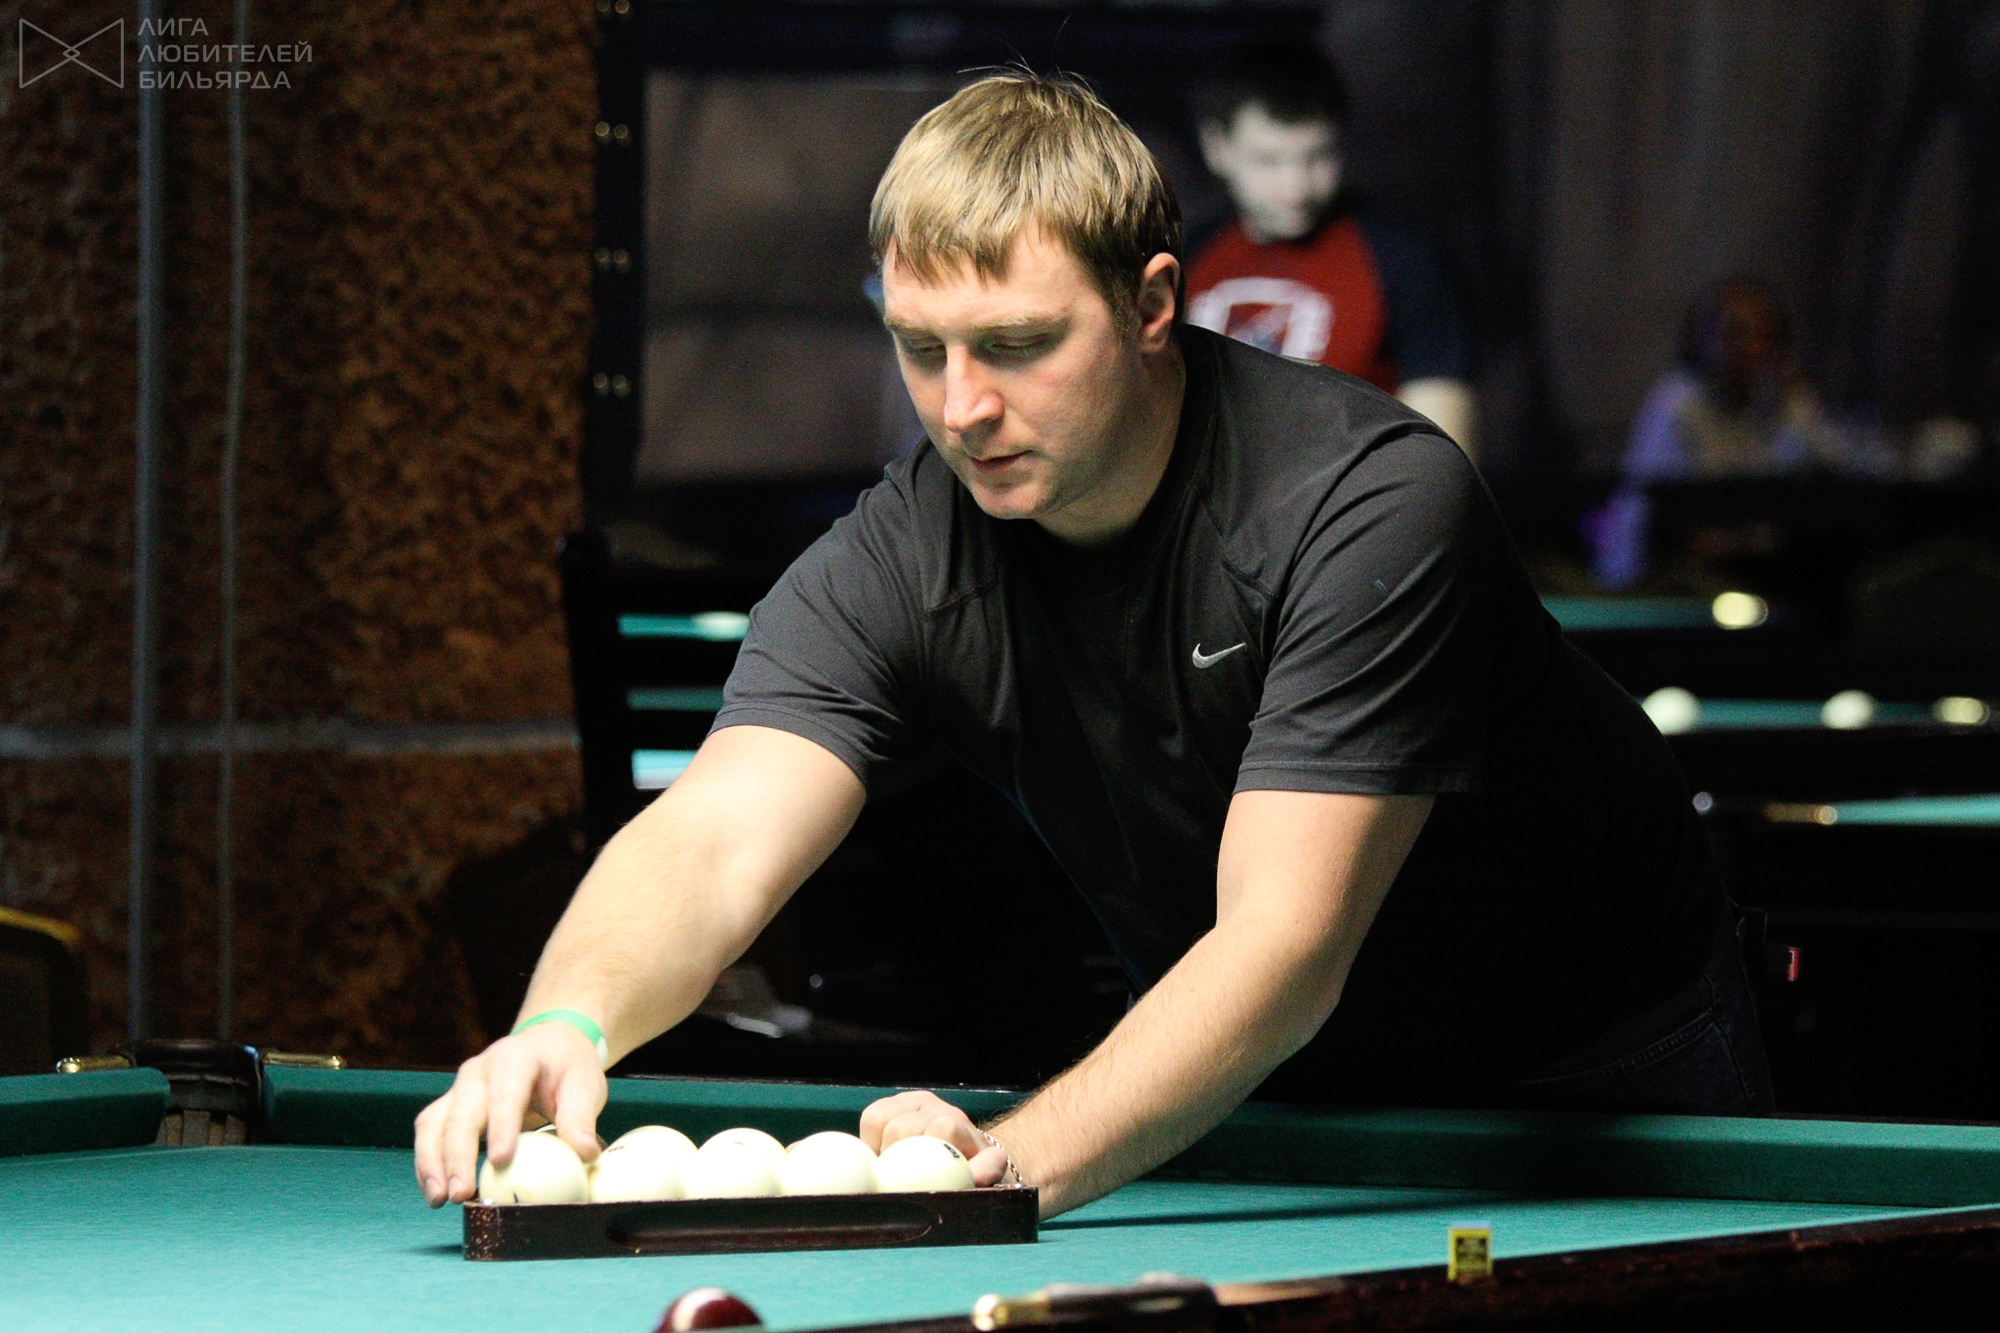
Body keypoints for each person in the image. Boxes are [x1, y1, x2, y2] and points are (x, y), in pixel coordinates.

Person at [414, 74, 1770, 1221]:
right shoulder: (905, 553)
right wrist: (564, 1024)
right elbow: (714, 836)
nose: (962, 407)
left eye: (1016, 344)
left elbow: (1281, 945)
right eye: (921, 348)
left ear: (1152, 302)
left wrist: (992, 1171)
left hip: (1596, 1073)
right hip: (1268, 1083)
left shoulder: (1368, 503)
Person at [1187, 45, 1477, 456]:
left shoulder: (1404, 259)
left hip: (1348, 491)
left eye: (1317, 157)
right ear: (1216, 148)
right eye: (1268, 160)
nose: (1296, 188)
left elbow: (1447, 453)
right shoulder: (1187, 254)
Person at [1592, 275, 1862, 586]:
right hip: (1654, 580)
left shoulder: (1772, 402)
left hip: (1738, 571)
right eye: (1734, 334)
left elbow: (1836, 463)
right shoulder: (1678, 404)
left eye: (1763, 336)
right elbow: (1682, 528)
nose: (1749, 348)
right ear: (1700, 339)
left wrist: (1797, 403)